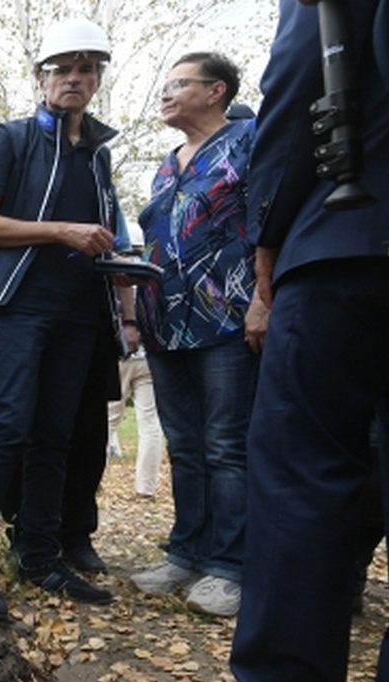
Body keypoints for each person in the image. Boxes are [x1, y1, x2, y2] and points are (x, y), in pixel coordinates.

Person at [133, 0, 389, 682]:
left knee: (299, 463)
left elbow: (301, 92)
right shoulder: (165, 167)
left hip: (346, 232)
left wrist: (268, 254)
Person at [0, 19, 134, 619]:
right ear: (42, 78)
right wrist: (61, 231)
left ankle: (39, 554)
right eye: (63, 69)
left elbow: (102, 232)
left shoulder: (98, 156)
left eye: (87, 69)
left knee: (58, 437)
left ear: (98, 79)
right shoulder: (13, 138)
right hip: (19, 307)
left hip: (81, 314)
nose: (75, 79)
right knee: (9, 430)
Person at [128, 52, 257, 618]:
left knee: (227, 446)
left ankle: (230, 567)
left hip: (228, 317)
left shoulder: (250, 141)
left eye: (180, 84)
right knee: (185, 446)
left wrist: (266, 300)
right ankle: (187, 551)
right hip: (164, 324)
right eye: (167, 82)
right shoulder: (166, 161)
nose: (167, 93)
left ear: (216, 91)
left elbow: (271, 223)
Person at [106, 348, 164, 497]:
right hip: (148, 357)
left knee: (108, 420)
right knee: (150, 423)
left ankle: (93, 479)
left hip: (119, 355)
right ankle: (146, 488)